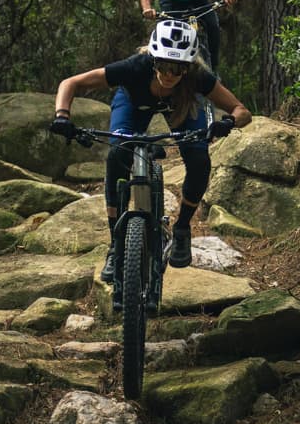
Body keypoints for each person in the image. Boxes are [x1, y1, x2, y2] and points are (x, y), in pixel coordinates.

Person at [50, 19, 251, 309]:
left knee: (198, 158)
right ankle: (116, 246)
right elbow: (71, 83)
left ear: (188, 67)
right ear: (152, 57)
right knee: (118, 154)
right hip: (132, 104)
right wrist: (62, 116)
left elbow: (242, 111)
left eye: (178, 68)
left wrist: (228, 122)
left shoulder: (197, 77)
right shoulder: (134, 68)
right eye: (163, 65)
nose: (170, 74)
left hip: (183, 107)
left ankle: (181, 228)